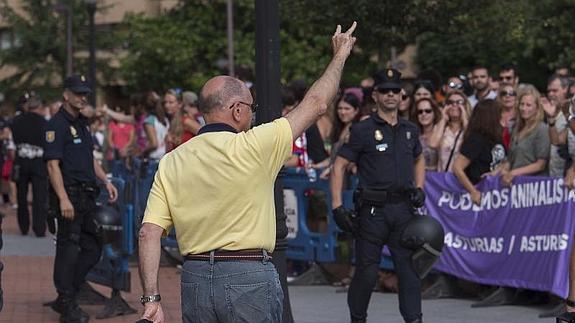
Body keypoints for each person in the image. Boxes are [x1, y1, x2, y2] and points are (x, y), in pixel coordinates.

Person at [137, 22, 357, 323]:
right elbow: (317, 103)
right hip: (248, 275)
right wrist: (340, 55)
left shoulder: (172, 160)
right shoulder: (256, 144)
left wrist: (152, 299)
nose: (253, 116)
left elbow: (149, 232)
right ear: (237, 110)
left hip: (195, 277)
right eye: (251, 109)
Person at [331, 67, 426, 323]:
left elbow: (419, 159)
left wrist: (420, 188)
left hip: (403, 210)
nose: (391, 95)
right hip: (372, 212)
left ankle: (414, 319)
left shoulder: (410, 129)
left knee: (408, 272)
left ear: (402, 95)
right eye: (385, 91)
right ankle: (358, 318)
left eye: (396, 91)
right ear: (376, 95)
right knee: (367, 274)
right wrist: (337, 206)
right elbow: (339, 165)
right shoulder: (363, 129)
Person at [44, 74, 118, 323]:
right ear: (66, 95)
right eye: (78, 93)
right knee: (68, 250)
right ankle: (66, 302)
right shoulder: (57, 125)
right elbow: (53, 166)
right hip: (70, 197)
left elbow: (90, 158)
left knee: (92, 247)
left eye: (85, 93)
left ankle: (69, 292)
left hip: (86, 197)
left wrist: (105, 180)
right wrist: (63, 199)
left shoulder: (82, 124)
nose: (83, 97)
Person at [452, 99, 505, 205]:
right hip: (480, 194)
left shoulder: (496, 136)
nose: (502, 117)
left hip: (496, 195)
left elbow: (504, 160)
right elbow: (457, 167)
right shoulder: (476, 139)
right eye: (499, 114)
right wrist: (473, 191)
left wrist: (497, 171)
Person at [11, 94, 49, 236]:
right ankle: (39, 228)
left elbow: (13, 141)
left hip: (21, 159)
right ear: (39, 107)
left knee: (22, 196)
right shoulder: (45, 123)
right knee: (40, 196)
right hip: (39, 160)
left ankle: (24, 226)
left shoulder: (16, 121)